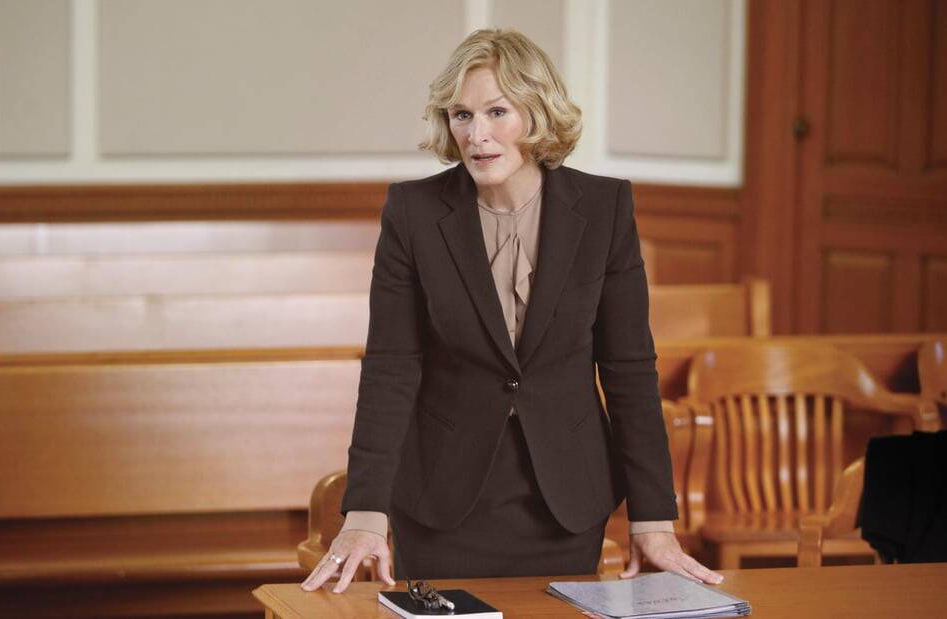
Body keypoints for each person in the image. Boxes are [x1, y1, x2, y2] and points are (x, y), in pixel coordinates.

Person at [301, 28, 721, 593]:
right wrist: (366, 512)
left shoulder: (605, 208)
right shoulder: (412, 212)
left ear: (537, 112)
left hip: (565, 498)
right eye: (462, 115)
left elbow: (629, 371)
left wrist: (653, 520)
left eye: (497, 112)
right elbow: (390, 368)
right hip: (441, 496)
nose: (477, 135)